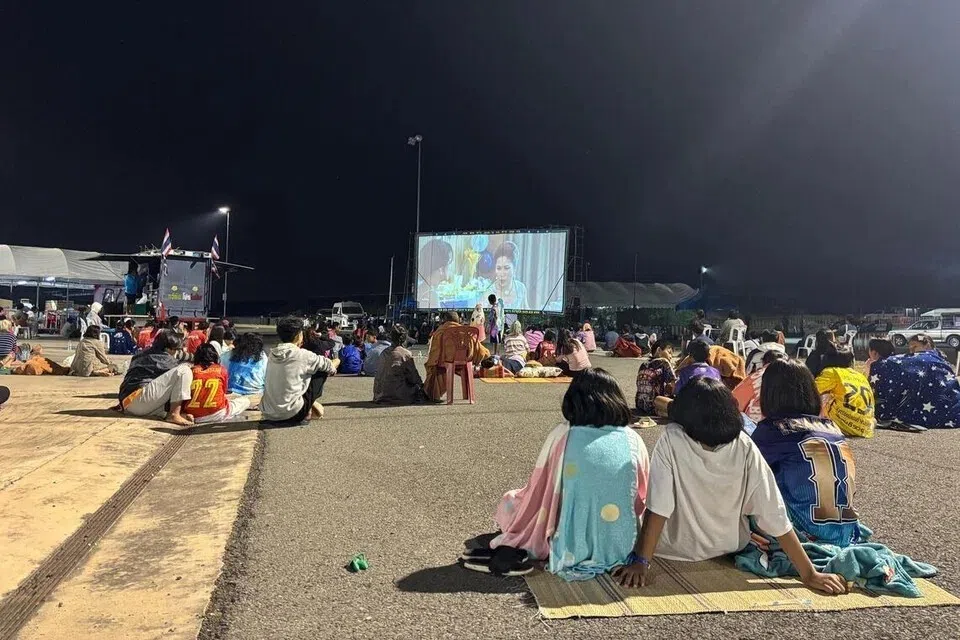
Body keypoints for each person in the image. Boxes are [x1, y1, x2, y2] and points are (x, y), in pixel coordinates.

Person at [612, 377, 847, 595]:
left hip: (676, 547)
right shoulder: (743, 443)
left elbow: (659, 506)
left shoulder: (673, 437)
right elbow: (772, 510)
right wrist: (809, 573)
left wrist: (642, 561)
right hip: (729, 546)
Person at [473, 369, 649, 580]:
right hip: (623, 543)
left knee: (511, 501)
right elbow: (642, 496)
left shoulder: (564, 434)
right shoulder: (633, 439)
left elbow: (540, 489)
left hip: (568, 544)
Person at [751, 360, 862, 547]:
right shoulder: (833, 428)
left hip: (802, 533)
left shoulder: (772, 431)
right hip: (845, 530)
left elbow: (746, 477)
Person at [262, 317, 339, 423]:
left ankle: (309, 405)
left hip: (269, 413)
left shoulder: (272, 354)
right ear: (299, 335)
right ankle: (309, 407)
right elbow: (329, 366)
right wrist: (337, 361)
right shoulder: (303, 355)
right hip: (292, 414)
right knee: (321, 370)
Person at [870, 343, 960, 430]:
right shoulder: (938, 361)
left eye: (915, 346)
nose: (912, 349)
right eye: (910, 347)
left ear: (927, 345)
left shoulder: (915, 362)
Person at [118, 330, 194, 425]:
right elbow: (178, 372)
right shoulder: (164, 358)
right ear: (168, 349)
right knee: (184, 371)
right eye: (176, 349)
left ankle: (171, 414)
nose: (177, 352)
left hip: (129, 404)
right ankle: (174, 414)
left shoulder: (145, 353)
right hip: (138, 400)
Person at [424, 311, 489, 401]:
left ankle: (434, 394)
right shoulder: (466, 331)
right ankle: (467, 395)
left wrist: (431, 363)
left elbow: (434, 352)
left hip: (444, 362)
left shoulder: (440, 332)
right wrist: (486, 355)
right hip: (465, 361)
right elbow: (479, 349)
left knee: (434, 368)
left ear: (445, 320)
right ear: (458, 320)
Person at [815, 346, 875, 438]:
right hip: (865, 427)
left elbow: (811, 391)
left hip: (840, 426)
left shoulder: (831, 371)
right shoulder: (859, 375)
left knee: (824, 394)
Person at [181, 343, 250, 423]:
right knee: (245, 400)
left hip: (194, 414)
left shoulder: (191, 371)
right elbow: (223, 391)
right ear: (214, 355)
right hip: (218, 413)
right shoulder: (221, 369)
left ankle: (185, 415)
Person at [732, 349, 788, 423]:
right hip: (778, 423)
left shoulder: (751, 378)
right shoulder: (789, 377)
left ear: (763, 363)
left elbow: (735, 398)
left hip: (747, 423)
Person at [374, 325, 426, 404]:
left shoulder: (384, 352)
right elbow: (414, 378)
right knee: (417, 387)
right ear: (404, 339)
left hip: (379, 394)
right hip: (397, 395)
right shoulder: (405, 354)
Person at [482, 241, 529, 309]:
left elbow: (527, 312)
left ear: (514, 268)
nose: (502, 273)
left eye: (506, 268)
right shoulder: (488, 293)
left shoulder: (521, 288)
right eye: (498, 268)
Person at [635, 341, 677, 415]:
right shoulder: (664, 362)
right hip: (655, 406)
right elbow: (673, 386)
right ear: (659, 350)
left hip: (639, 405)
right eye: (669, 352)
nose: (670, 356)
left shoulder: (643, 364)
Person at [417, 238, 454, 308]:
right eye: (448, 263)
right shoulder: (431, 295)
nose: (449, 267)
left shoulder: (422, 288)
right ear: (441, 269)